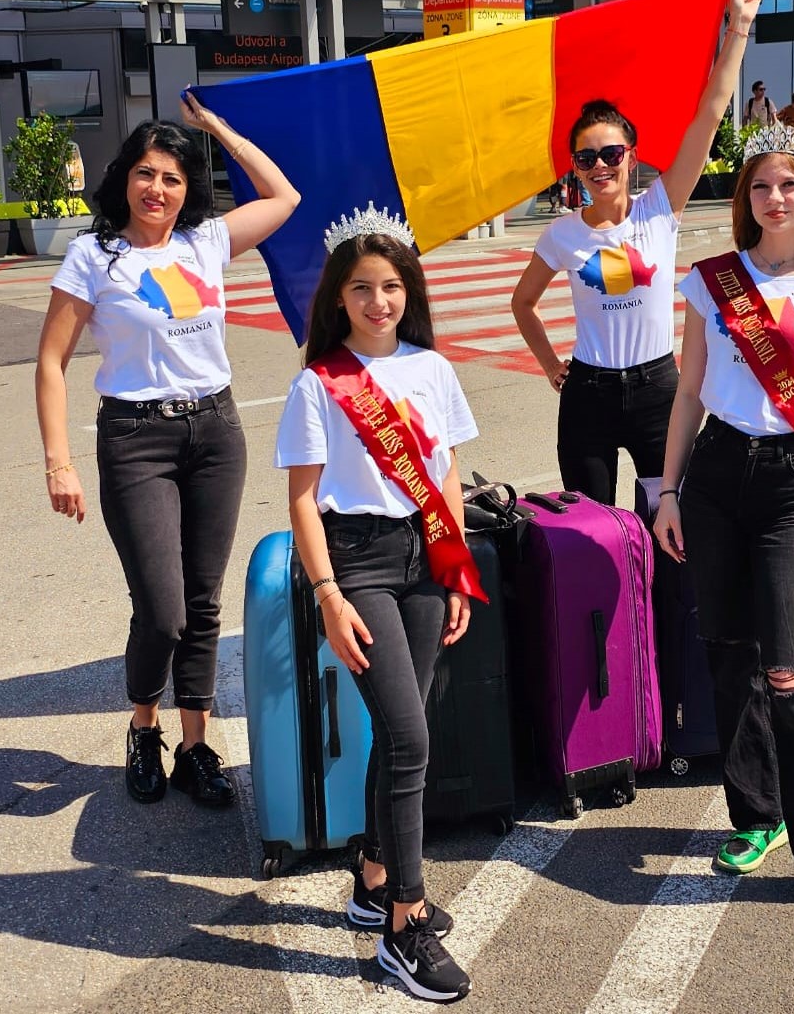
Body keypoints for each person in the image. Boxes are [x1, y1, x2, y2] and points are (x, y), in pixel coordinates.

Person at [652, 123, 794, 932]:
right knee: (728, 657)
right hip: (716, 475)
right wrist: (669, 491)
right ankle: (758, 812)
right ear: (744, 196)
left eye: (788, 184)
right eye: (760, 184)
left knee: (792, 672)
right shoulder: (712, 281)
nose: (774, 198)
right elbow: (689, 392)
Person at [36, 93, 300, 808]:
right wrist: (59, 461)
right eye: (147, 173)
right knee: (162, 609)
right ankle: (144, 727)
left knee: (203, 603)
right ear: (126, 177)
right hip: (135, 440)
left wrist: (217, 130)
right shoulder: (94, 256)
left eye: (173, 178)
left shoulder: (205, 241)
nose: (158, 189)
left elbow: (284, 197)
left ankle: (194, 747)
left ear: (188, 189)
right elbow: (51, 362)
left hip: (215, 432)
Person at [275, 207, 481, 1004]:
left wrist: (457, 570)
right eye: (362, 288)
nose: (378, 301)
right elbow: (302, 500)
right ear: (338, 296)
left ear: (409, 292)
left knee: (403, 730)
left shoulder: (431, 368)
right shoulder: (317, 384)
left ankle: (371, 876)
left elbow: (448, 473)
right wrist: (327, 594)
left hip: (424, 556)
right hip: (355, 562)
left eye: (391, 286)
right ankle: (404, 923)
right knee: (409, 736)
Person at [511, 0, 763, 505]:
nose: (599, 166)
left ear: (631, 155)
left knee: (665, 515)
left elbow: (710, 114)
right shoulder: (562, 232)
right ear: (575, 167)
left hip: (657, 391)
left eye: (611, 154)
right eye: (586, 158)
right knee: (594, 526)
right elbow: (523, 302)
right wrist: (551, 365)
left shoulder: (660, 208)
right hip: (589, 395)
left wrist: (738, 27)